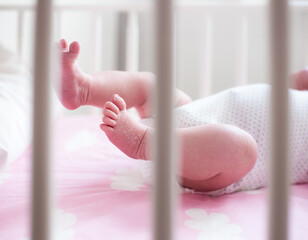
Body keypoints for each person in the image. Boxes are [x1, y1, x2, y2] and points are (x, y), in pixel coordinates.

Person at [57, 39, 308, 195]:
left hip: (206, 163)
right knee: (152, 86)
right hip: (192, 114)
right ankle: (85, 88)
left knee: (241, 147)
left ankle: (143, 142)